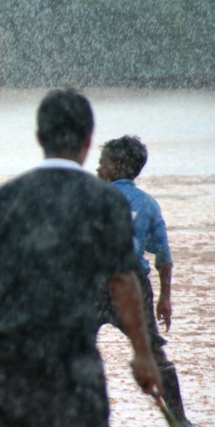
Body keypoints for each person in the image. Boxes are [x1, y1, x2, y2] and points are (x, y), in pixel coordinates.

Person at [0, 88, 162, 427]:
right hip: (72, 358)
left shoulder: (0, 200)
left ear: (39, 136)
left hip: (7, 359)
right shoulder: (104, 202)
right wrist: (142, 353)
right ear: (88, 139)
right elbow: (124, 281)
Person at [96, 135, 194, 426]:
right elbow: (163, 255)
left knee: (71, 345)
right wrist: (165, 296)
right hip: (135, 285)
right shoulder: (149, 205)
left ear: (117, 166)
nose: (98, 170)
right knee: (154, 350)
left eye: (102, 165)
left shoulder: (93, 198)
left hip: (94, 283)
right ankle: (179, 418)